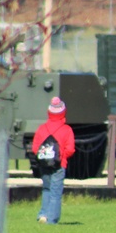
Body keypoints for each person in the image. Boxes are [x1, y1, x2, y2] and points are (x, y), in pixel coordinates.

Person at [31, 96, 76, 224]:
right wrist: (62, 156)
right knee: (56, 192)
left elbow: (35, 148)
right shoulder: (67, 130)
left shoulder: (42, 128)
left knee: (46, 188)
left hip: (44, 163)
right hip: (59, 164)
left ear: (49, 112)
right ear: (63, 112)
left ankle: (43, 214)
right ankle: (52, 219)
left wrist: (45, 157)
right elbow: (71, 149)